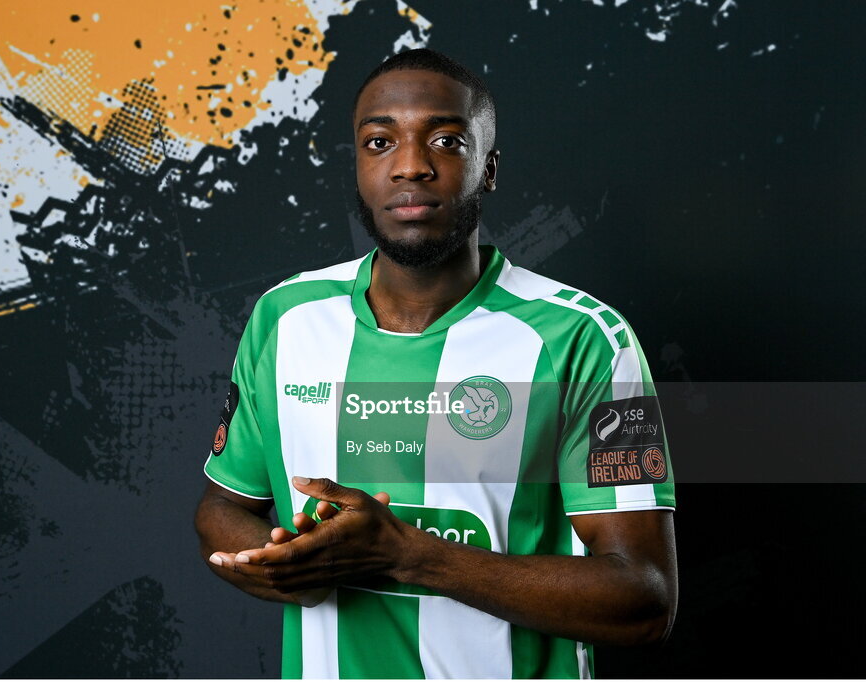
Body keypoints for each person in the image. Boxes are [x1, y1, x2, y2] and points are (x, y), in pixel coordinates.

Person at [194, 48, 677, 679]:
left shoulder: (583, 337)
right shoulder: (285, 318)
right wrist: (290, 562)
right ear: (359, 166)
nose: (411, 166)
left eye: (446, 140)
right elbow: (221, 508)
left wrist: (407, 556)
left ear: (489, 167)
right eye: (379, 142)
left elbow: (643, 599)